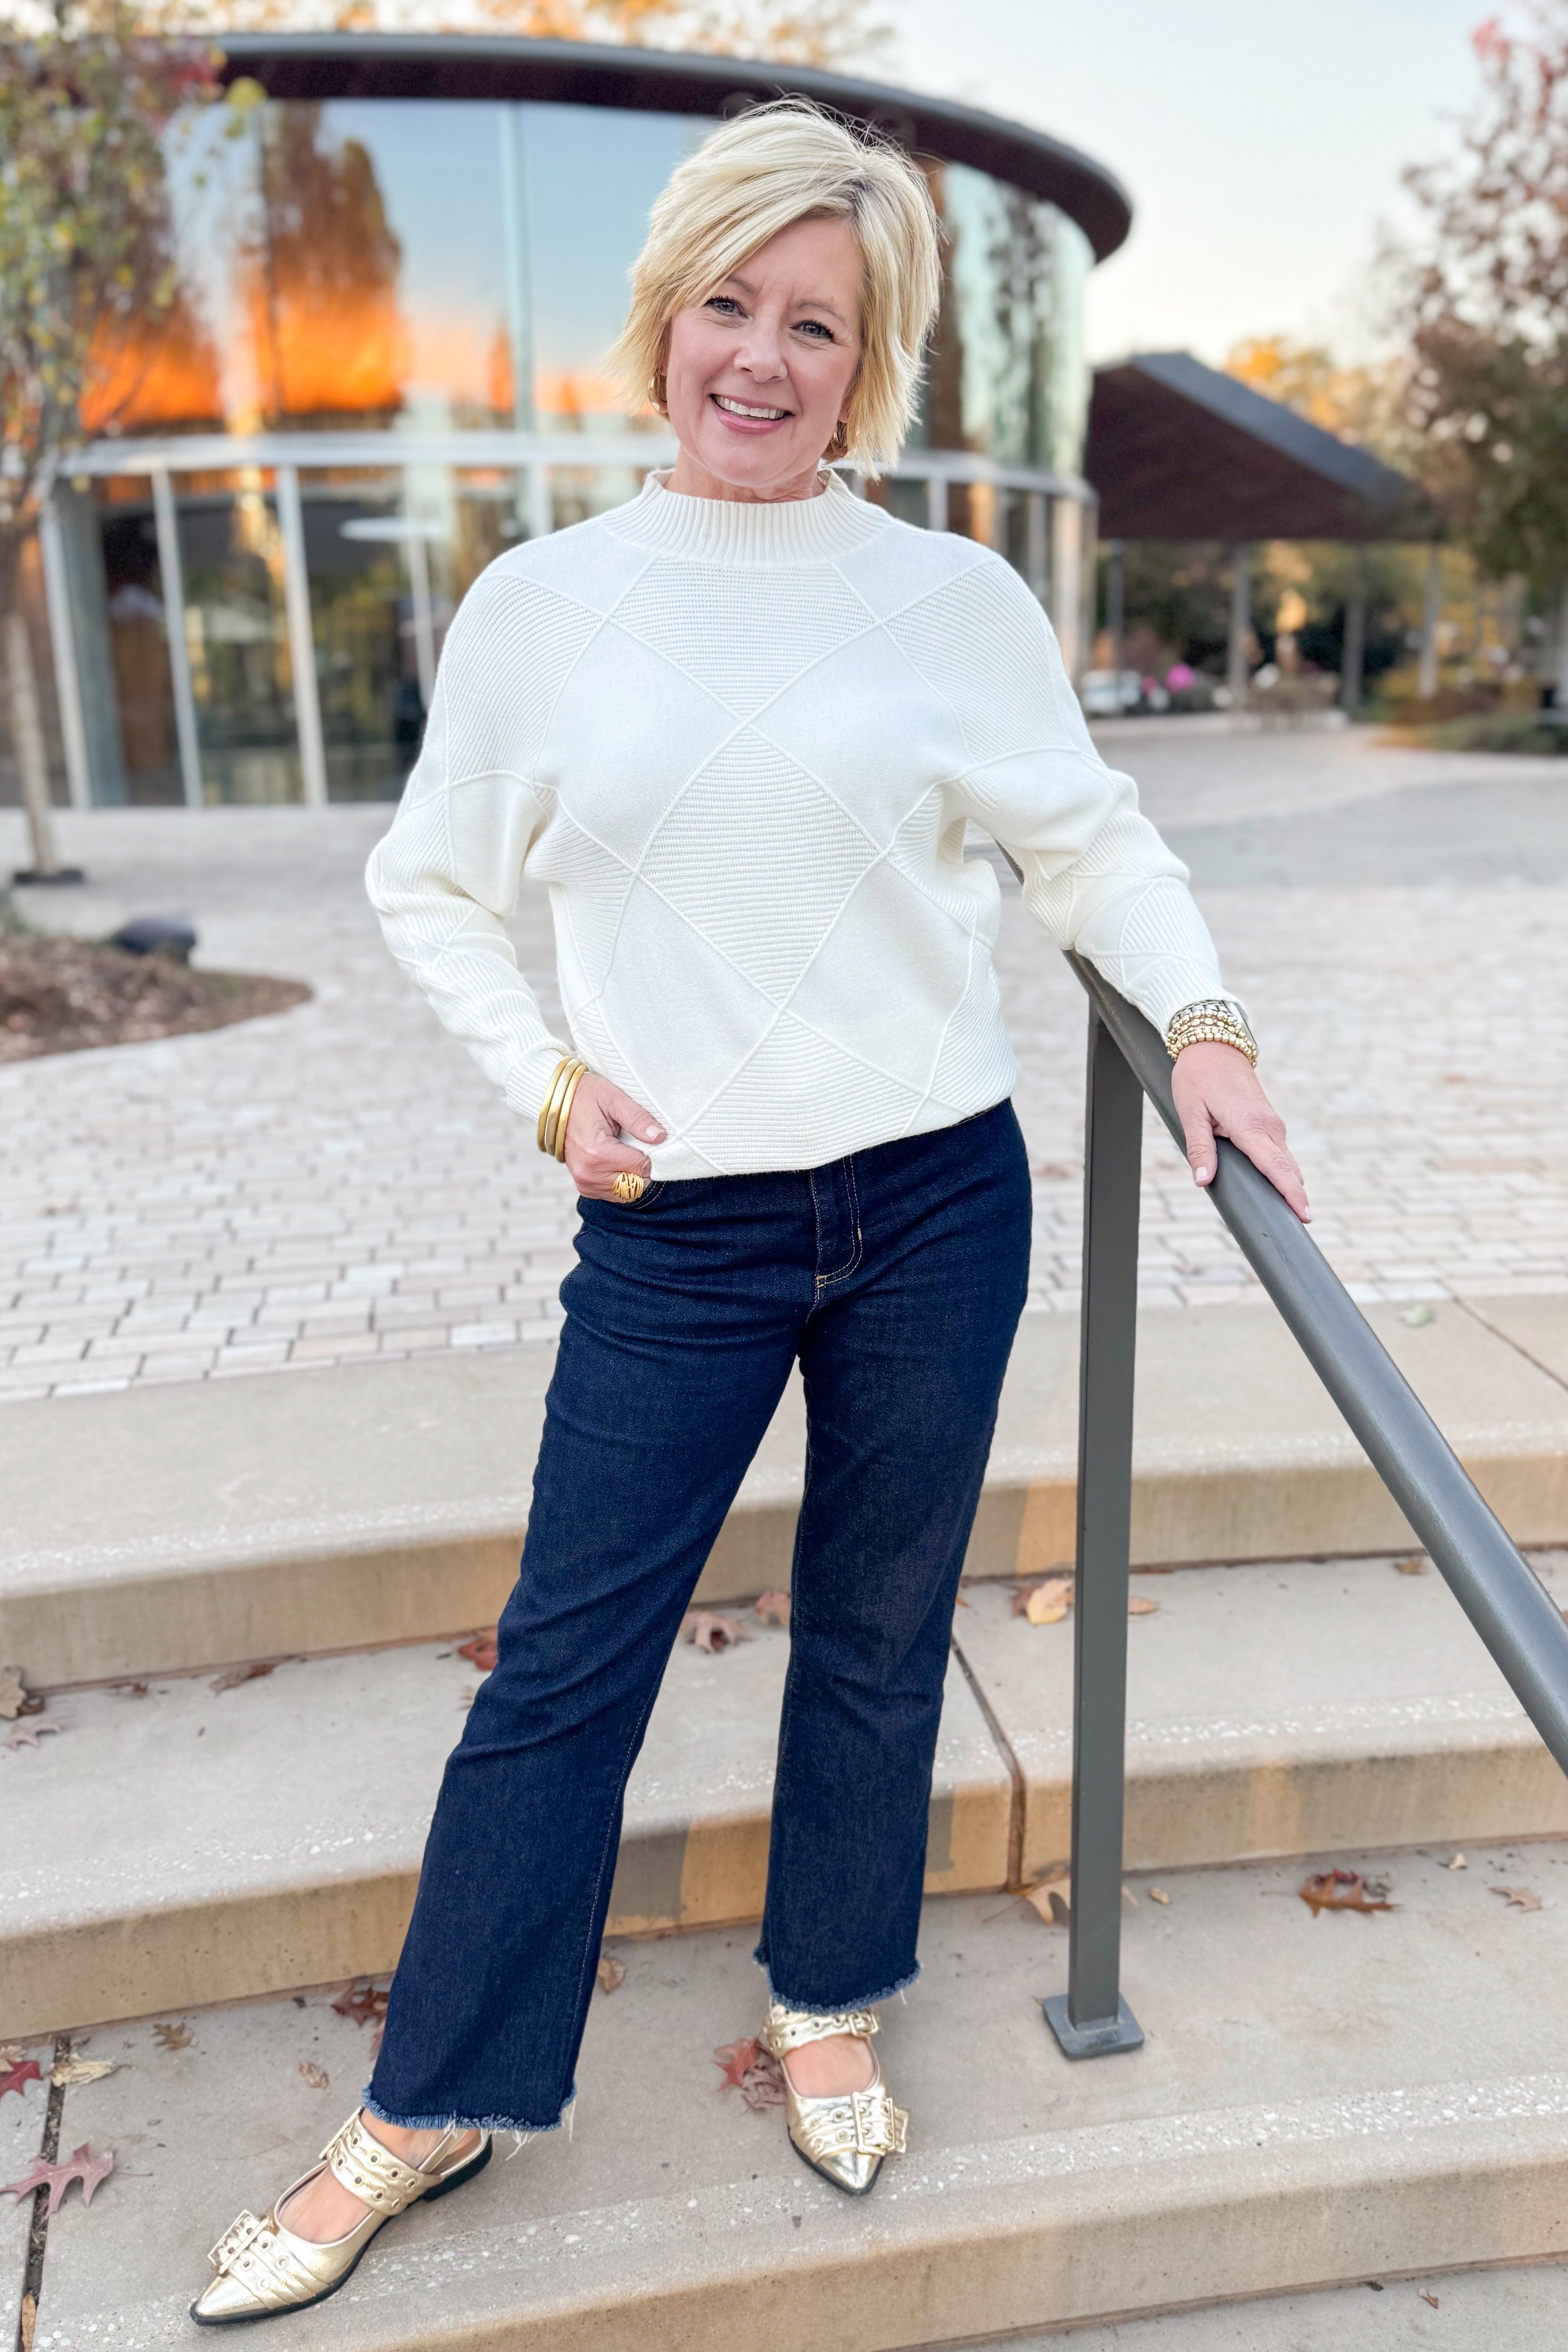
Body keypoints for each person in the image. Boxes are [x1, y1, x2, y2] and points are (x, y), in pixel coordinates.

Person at [190, 98, 1306, 2326]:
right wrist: (536, 1081)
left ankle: (826, 1993)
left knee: (878, 1633)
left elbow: (1088, 839)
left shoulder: (948, 598)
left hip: (931, 1201)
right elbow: (425, 880)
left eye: (816, 322)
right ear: (666, 315)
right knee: (564, 1666)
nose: (763, 357)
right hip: (676, 1226)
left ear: (862, 359)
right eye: (731, 304)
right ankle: (426, 2095)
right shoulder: (544, 604)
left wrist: (1199, 1017)